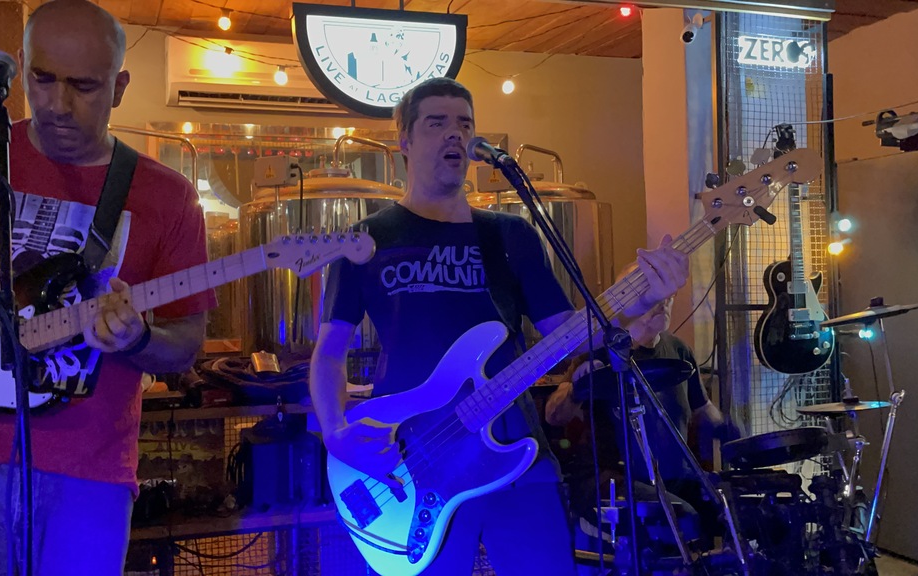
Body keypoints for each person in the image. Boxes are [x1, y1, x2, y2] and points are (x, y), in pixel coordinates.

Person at [309, 77, 689, 575]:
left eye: (465, 124)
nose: (455, 134)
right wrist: (335, 431)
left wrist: (641, 300)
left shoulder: (510, 234)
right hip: (409, 458)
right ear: (404, 140)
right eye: (437, 123)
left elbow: (568, 332)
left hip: (514, 449)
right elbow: (329, 351)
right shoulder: (366, 237)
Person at [0, 1, 213, 574]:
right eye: (43, 78)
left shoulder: (167, 197)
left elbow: (185, 343)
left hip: (90, 477)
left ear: (119, 87)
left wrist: (137, 338)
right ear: (19, 65)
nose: (56, 104)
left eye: (84, 86)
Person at [544, 261, 727, 548]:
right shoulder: (598, 351)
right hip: (613, 481)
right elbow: (553, 415)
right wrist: (575, 391)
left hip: (674, 478)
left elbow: (703, 409)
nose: (663, 302)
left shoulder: (679, 350)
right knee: (681, 519)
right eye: (650, 293)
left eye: (667, 296)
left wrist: (728, 432)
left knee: (733, 509)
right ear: (628, 301)